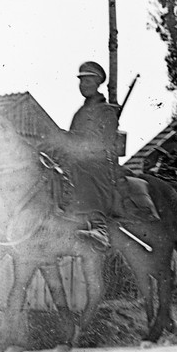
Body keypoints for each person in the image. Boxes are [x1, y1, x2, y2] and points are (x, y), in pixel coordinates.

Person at [42, 61, 119, 250]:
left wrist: (71, 140)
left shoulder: (107, 111)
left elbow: (103, 143)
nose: (83, 85)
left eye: (88, 81)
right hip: (76, 159)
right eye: (81, 81)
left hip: (98, 162)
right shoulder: (80, 113)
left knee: (82, 169)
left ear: (98, 83)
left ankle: (100, 228)